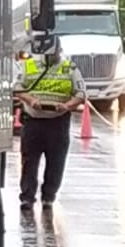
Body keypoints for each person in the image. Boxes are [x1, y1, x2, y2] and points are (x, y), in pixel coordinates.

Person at [13, 35, 87, 210]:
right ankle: (27, 197)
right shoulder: (28, 66)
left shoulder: (69, 68)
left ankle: (49, 196)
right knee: (29, 161)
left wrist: (66, 106)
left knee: (56, 162)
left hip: (58, 121)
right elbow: (17, 88)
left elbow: (81, 93)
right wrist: (31, 101)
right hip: (33, 121)